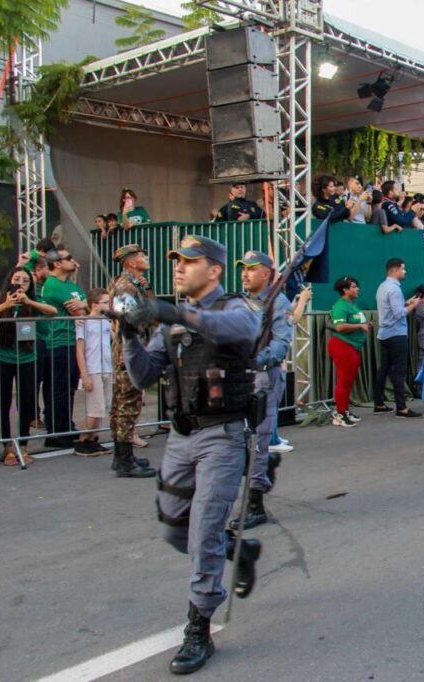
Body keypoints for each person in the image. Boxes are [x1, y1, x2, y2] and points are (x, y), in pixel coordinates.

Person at [120, 235, 262, 674]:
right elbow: (144, 375)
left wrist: (174, 311)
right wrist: (128, 334)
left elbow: (237, 331)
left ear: (214, 270)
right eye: (176, 261)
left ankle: (198, 627)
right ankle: (236, 548)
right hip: (181, 439)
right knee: (172, 529)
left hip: (221, 437)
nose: (178, 268)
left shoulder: (237, 309)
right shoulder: (174, 324)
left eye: (189, 261)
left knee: (202, 533)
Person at [232, 250, 293, 529]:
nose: (245, 273)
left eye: (252, 269)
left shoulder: (277, 302)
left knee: (258, 440)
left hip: (263, 378)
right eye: (243, 268)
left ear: (267, 273)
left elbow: (282, 343)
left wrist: (256, 358)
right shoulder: (239, 301)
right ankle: (261, 471)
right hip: (237, 378)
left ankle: (255, 505)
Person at [0, 267, 57, 464]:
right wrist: (6, 303)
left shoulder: (34, 300)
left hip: (27, 357)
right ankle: (7, 446)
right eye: (17, 279)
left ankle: (23, 445)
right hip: (2, 357)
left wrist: (28, 301)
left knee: (27, 402)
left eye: (25, 280)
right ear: (9, 280)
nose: (21, 283)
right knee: (3, 402)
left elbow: (53, 312)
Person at [108, 244, 156, 478]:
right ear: (130, 262)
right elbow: (127, 317)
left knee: (123, 405)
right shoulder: (125, 286)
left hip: (132, 350)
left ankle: (122, 457)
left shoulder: (136, 284)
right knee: (127, 406)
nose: (145, 257)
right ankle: (125, 460)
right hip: (130, 351)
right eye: (141, 255)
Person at [39, 247, 88, 448]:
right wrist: (84, 303)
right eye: (68, 258)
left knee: (68, 387)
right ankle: (56, 431)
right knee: (58, 388)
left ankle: (65, 426)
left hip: (71, 340)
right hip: (58, 341)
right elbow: (80, 308)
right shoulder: (53, 285)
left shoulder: (68, 283)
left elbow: (87, 302)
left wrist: (84, 303)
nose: (73, 261)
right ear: (57, 263)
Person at [373, 258, 424, 418]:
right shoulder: (394, 289)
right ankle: (401, 408)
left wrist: (406, 302)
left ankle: (379, 403)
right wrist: (413, 305)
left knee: (384, 369)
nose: (405, 271)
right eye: (403, 269)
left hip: (384, 334)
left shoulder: (383, 286)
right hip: (396, 334)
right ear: (395, 270)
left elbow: (392, 309)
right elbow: (399, 314)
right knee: (399, 372)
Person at [73, 289, 114, 456]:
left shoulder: (106, 321)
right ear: (94, 304)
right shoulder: (85, 322)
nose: (107, 305)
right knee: (95, 408)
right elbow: (80, 350)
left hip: (106, 367)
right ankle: (83, 440)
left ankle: (94, 439)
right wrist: (84, 374)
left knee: (103, 406)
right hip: (93, 368)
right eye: (104, 302)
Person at [328, 276, 372, 428]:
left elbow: (355, 323)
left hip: (353, 346)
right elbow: (339, 327)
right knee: (344, 380)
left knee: (348, 380)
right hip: (342, 345)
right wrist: (360, 327)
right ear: (345, 290)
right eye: (353, 287)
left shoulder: (352, 305)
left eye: (357, 286)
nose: (357, 289)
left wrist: (365, 325)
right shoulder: (341, 306)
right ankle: (339, 414)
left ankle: (345, 410)